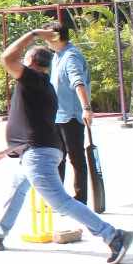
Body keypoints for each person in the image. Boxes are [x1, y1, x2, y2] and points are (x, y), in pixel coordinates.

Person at [0, 27, 133, 263]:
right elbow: (32, 129)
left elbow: (6, 58)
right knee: (18, 189)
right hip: (37, 150)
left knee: (60, 202)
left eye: (25, 59)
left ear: (31, 62)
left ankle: (113, 236)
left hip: (38, 155)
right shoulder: (44, 86)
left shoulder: (32, 80)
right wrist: (6, 151)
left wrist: (33, 34)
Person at [46, 19, 93, 204]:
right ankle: (57, 198)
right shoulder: (58, 55)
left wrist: (86, 109)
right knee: (57, 158)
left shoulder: (71, 56)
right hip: (58, 115)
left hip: (71, 116)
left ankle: (80, 200)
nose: (45, 41)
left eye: (47, 37)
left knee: (76, 158)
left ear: (56, 37)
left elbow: (78, 83)